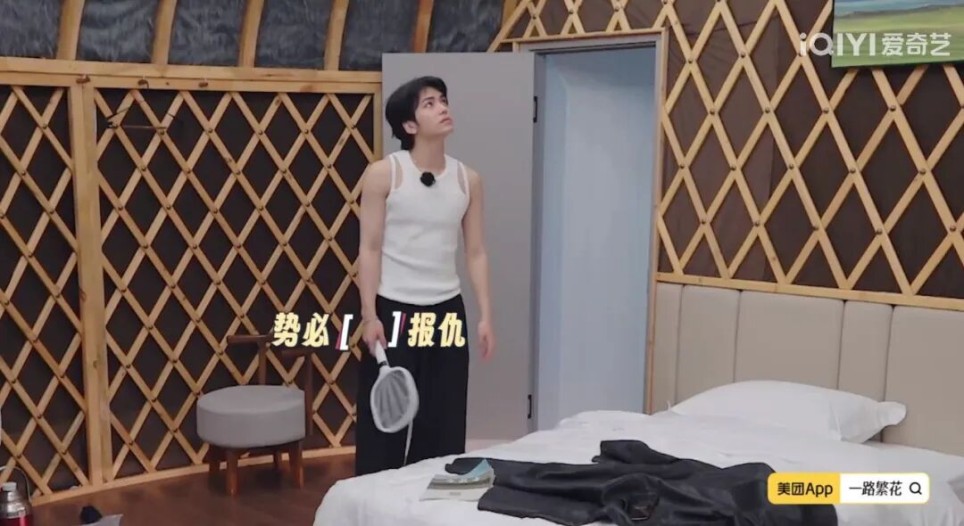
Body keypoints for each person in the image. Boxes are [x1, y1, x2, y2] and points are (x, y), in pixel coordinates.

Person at [354, 75, 495, 476]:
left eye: (443, 100)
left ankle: (430, 502)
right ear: (409, 125)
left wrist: (485, 316)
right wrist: (369, 315)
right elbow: (369, 249)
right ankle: (375, 503)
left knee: (444, 421)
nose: (443, 108)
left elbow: (476, 251)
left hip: (447, 312)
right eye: (429, 103)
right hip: (394, 311)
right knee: (384, 429)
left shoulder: (468, 179)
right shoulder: (384, 174)